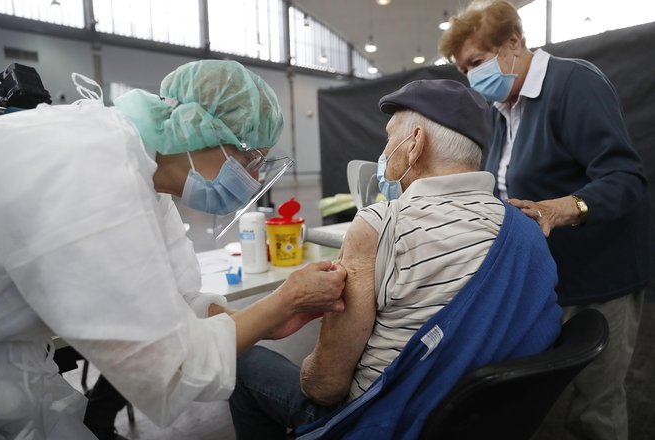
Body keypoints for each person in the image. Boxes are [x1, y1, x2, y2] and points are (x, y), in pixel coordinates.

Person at [0, 59, 346, 440]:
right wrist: (283, 303)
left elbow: (179, 296)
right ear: (199, 127)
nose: (254, 178)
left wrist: (260, 318)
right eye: (249, 158)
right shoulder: (95, 169)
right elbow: (166, 367)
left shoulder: (143, 172)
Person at [227, 79, 562, 439]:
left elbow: (325, 386)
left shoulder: (379, 225)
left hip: (387, 419)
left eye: (390, 137)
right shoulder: (526, 230)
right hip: (480, 422)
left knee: (245, 362)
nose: (385, 151)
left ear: (415, 143)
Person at [438, 2, 653, 439]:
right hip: (547, 280)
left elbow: (625, 179)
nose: (473, 77)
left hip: (599, 278)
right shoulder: (504, 110)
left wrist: (563, 208)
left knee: (596, 407)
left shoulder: (573, 84)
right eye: (464, 70)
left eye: (477, 62)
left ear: (514, 42)